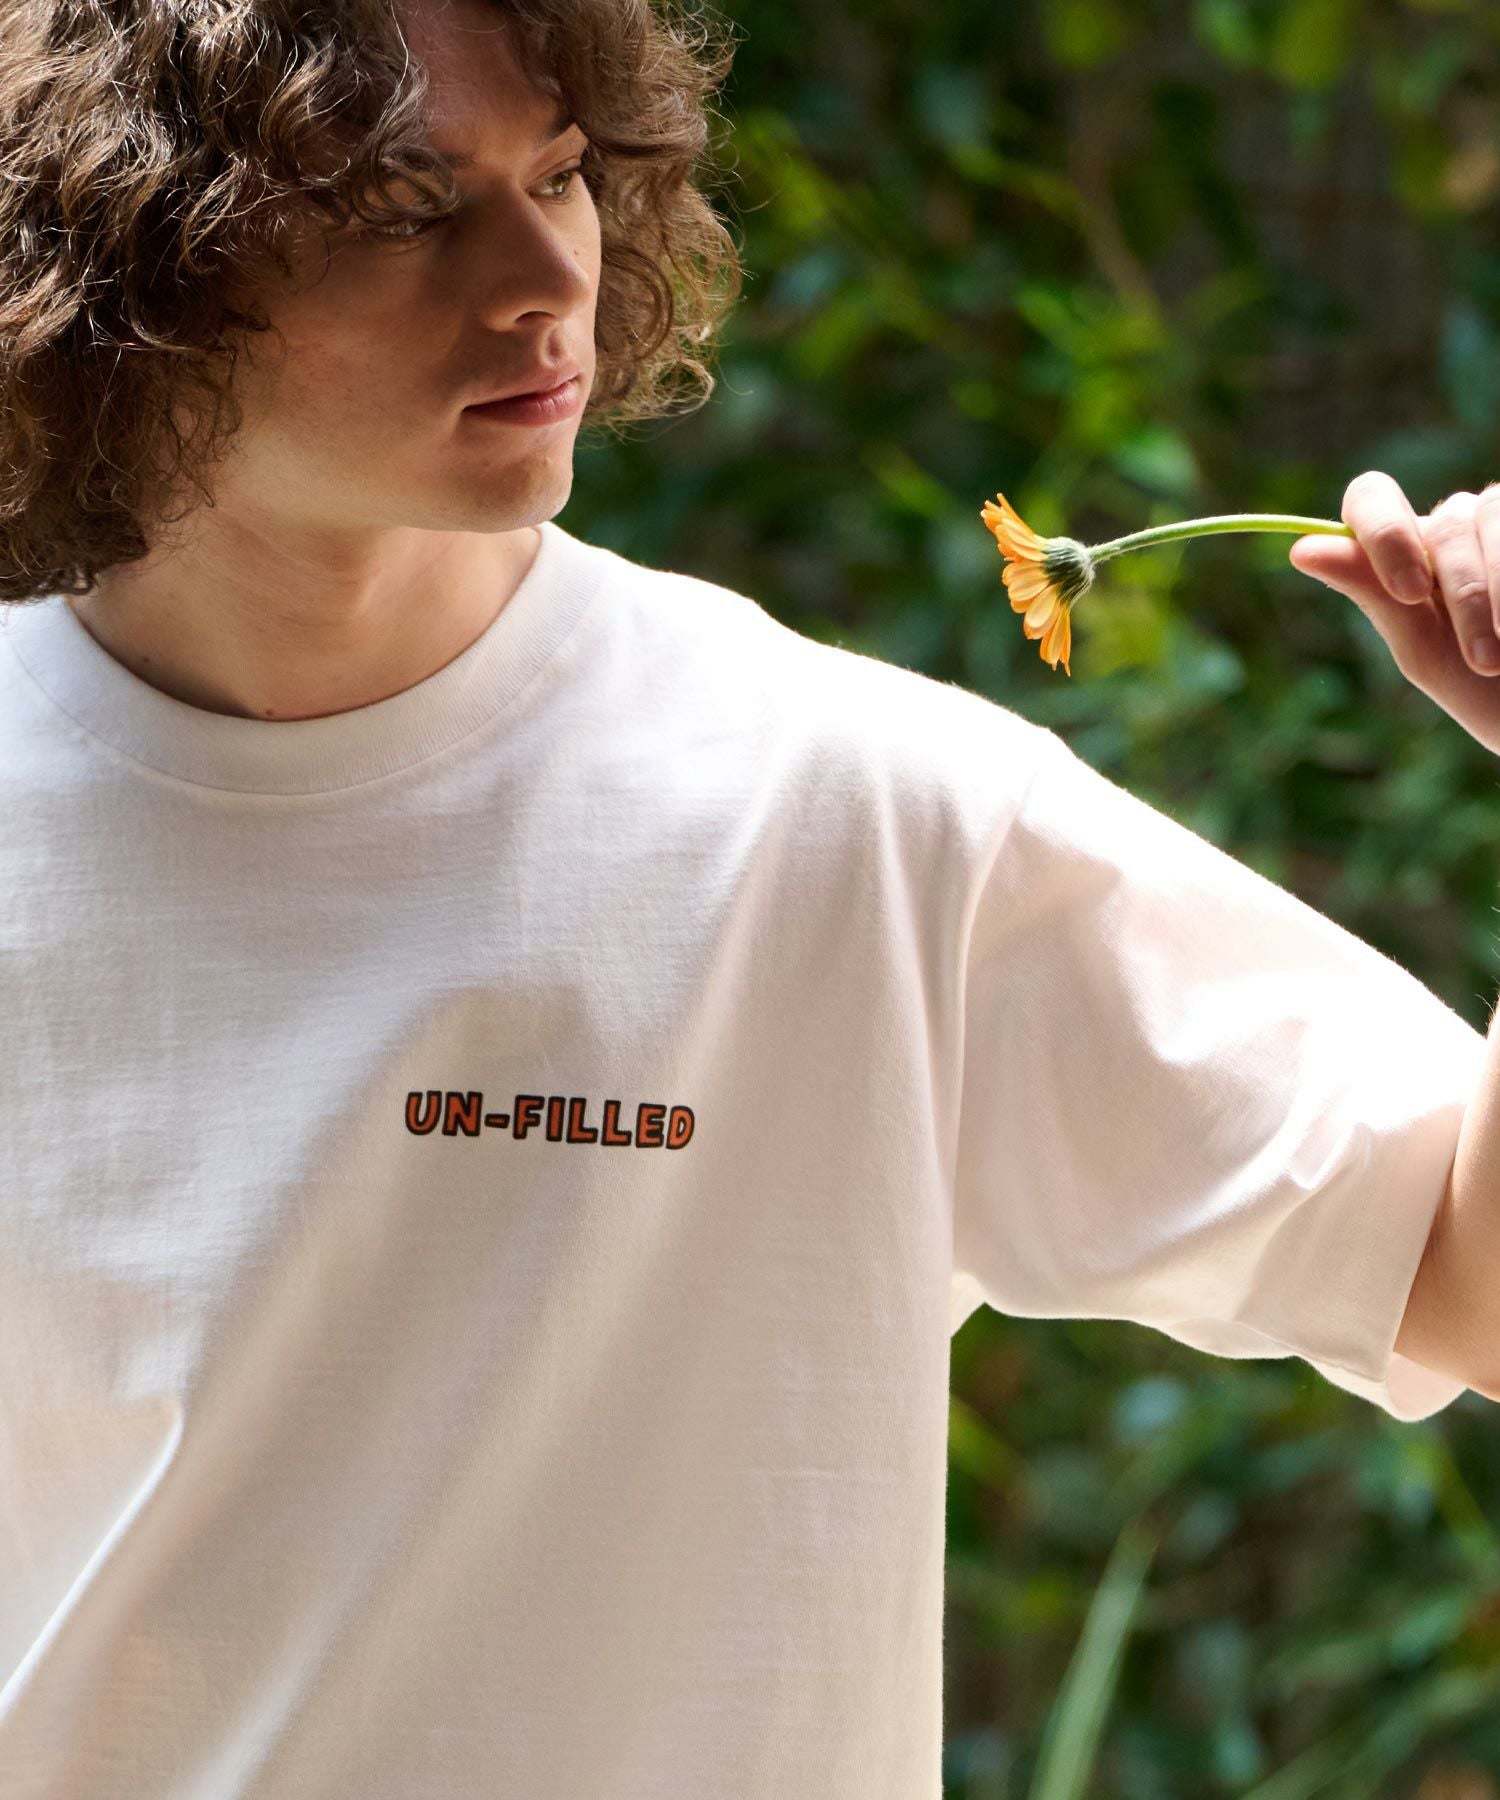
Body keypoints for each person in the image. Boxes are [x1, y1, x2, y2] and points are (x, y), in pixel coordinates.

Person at [0, 2, 1490, 1796]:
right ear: (128, 264)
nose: (546, 274)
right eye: (405, 207)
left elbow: (1461, 1274)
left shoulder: (847, 812)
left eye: (563, 173)